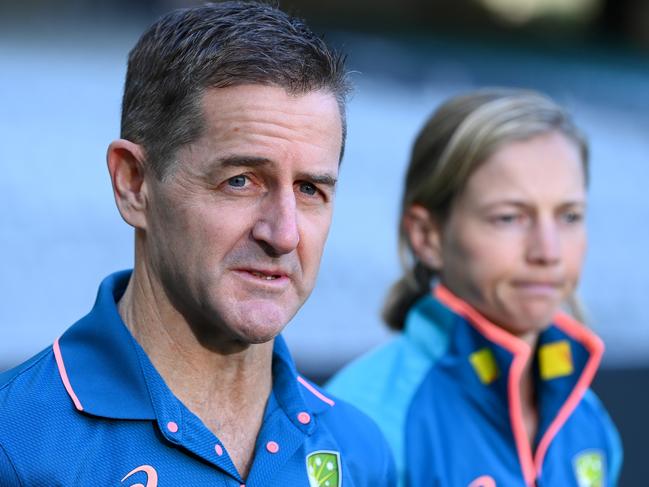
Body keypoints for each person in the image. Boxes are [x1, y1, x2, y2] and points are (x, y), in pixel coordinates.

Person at [0, 3, 396, 485]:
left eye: (310, 189)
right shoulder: (18, 442)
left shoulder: (358, 451)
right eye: (240, 181)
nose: (284, 233)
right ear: (133, 183)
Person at [328, 88, 622, 486]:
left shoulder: (588, 420)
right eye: (509, 217)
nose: (548, 251)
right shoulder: (361, 421)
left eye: (569, 216)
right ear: (427, 235)